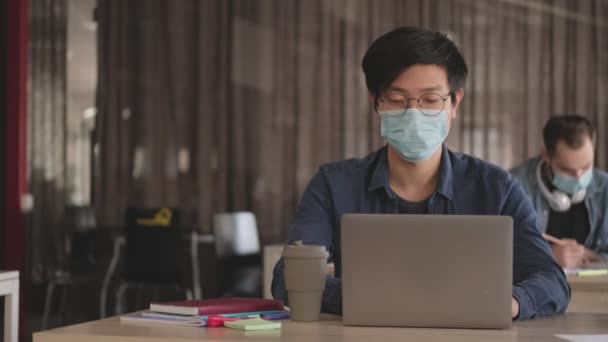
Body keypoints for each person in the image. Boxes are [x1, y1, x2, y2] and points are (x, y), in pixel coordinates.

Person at [272, 26, 569, 320]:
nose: (414, 113)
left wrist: (511, 303)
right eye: (398, 100)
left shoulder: (496, 189)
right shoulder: (333, 186)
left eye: (430, 99)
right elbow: (289, 278)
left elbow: (552, 280)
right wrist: (394, 296)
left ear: (455, 103)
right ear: (376, 102)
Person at [510, 115, 608, 268]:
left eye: (587, 166)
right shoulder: (513, 186)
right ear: (547, 156)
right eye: (568, 170)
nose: (579, 177)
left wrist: (593, 257)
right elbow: (498, 252)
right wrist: (548, 255)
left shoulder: (605, 187)